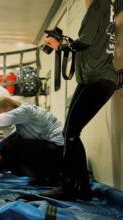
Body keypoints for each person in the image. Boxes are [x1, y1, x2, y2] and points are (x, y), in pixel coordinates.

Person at [40, 0, 117, 200]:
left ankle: (68, 187)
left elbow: (85, 42)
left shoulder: (97, 5)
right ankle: (83, 187)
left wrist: (60, 47)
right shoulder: (107, 7)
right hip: (94, 79)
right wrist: (66, 44)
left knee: (72, 131)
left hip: (97, 79)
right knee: (70, 132)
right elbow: (91, 43)